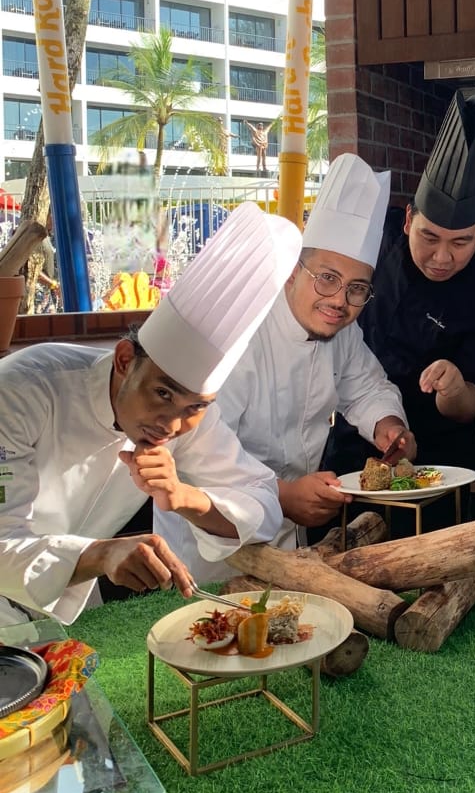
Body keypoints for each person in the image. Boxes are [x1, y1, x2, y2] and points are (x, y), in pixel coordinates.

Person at [0, 202, 301, 622]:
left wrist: (185, 497)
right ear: (125, 360)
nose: (173, 424)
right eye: (162, 393)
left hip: (67, 607)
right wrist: (101, 554)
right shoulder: (22, 390)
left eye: (196, 406)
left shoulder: (186, 419)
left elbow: (263, 502)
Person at [206, 153, 415, 546]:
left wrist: (389, 426)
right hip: (213, 538)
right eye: (327, 278)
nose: (339, 301)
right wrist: (282, 496)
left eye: (357, 288)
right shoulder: (240, 331)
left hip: (289, 537)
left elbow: (368, 388)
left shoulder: (342, 333)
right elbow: (204, 451)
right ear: (291, 271)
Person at [333, 91, 475, 484]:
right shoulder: (373, 242)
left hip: (439, 464)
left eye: (461, 242)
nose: (442, 257)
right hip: (351, 440)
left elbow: (469, 406)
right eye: (429, 237)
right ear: (407, 219)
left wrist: (454, 388)